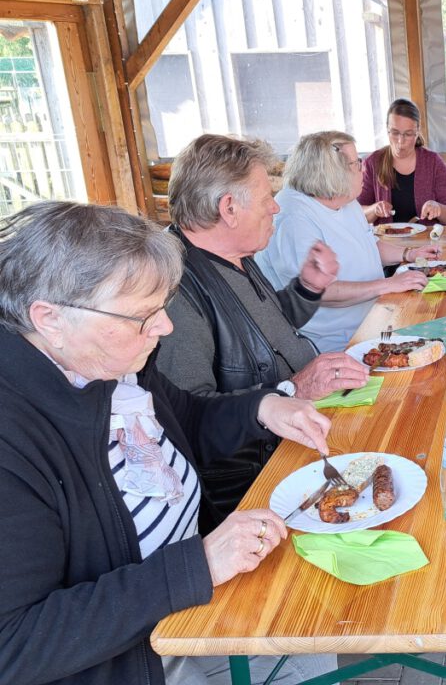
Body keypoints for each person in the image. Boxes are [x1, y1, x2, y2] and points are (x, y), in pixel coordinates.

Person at [0, 201, 335, 685]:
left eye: (163, 306)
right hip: (129, 660)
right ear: (49, 317)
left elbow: (184, 420)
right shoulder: (15, 436)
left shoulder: (107, 364)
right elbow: (14, 643)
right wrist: (195, 566)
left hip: (190, 604)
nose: (164, 327)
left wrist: (265, 407)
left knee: (316, 645)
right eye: (143, 315)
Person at [159, 134, 369, 528]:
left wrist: (307, 288)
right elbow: (190, 420)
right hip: (259, 484)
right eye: (265, 197)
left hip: (301, 431)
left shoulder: (232, 255)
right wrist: (291, 391)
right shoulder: (176, 292)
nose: (275, 206)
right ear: (229, 208)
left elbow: (266, 331)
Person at [257, 131, 441, 353]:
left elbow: (368, 244)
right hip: (334, 346)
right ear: (333, 173)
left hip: (373, 321)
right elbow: (320, 292)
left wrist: (409, 254)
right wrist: (389, 284)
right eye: (357, 163)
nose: (364, 169)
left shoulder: (344, 199)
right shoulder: (293, 216)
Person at [359, 98, 446, 226]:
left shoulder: (433, 162)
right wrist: (374, 209)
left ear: (417, 132)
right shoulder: (373, 163)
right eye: (395, 133)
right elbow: (358, 212)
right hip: (386, 243)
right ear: (387, 129)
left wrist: (438, 208)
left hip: (426, 242)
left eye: (408, 134)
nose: (400, 141)